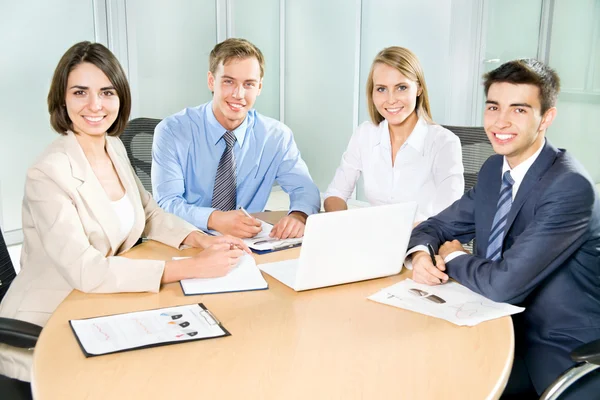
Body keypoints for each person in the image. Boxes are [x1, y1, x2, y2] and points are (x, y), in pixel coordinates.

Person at [0, 41, 249, 382]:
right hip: (46, 324)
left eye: (106, 92)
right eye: (80, 92)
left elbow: (149, 212)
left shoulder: (112, 146)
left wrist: (201, 241)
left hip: (98, 304)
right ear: (62, 99)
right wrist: (192, 268)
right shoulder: (48, 174)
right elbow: (86, 270)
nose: (95, 105)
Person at [408, 59, 600, 398]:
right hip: (491, 323)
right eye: (493, 107)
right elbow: (437, 225)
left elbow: (503, 286)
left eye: (519, 110)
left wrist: (452, 256)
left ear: (546, 118)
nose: (501, 122)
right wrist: (422, 254)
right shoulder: (495, 168)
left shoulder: (569, 186)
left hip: (557, 347)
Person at [152, 38, 320, 240]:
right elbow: (166, 203)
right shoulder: (172, 131)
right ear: (211, 81)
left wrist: (299, 215)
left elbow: (305, 188)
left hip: (248, 243)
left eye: (249, 84)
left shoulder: (275, 136)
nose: (238, 94)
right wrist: (214, 219)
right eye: (228, 81)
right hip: (187, 239)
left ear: (259, 87)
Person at [323, 46, 464, 222]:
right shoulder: (365, 134)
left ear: (419, 88)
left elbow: (450, 218)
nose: (391, 99)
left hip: (422, 241)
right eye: (381, 89)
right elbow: (335, 193)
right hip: (373, 238)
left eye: (401, 87)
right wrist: (343, 224)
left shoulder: (444, 142)